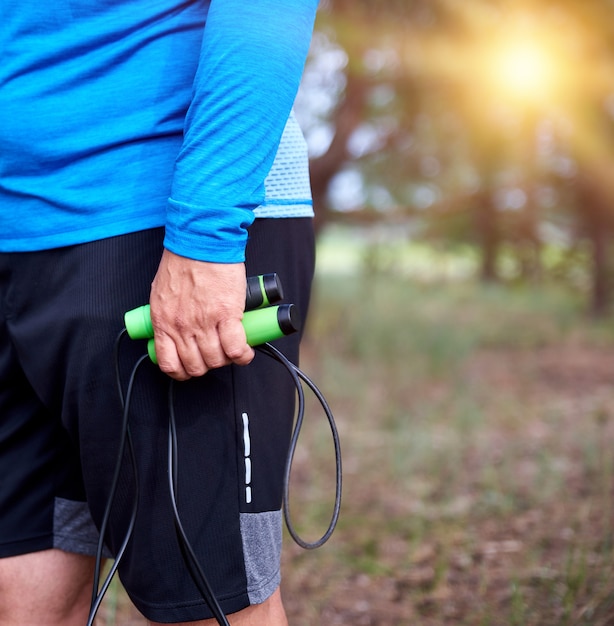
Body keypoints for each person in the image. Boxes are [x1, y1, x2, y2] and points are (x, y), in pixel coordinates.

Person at [0, 0, 319, 624]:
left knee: (209, 603)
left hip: (164, 216)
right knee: (21, 588)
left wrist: (204, 235)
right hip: (19, 235)